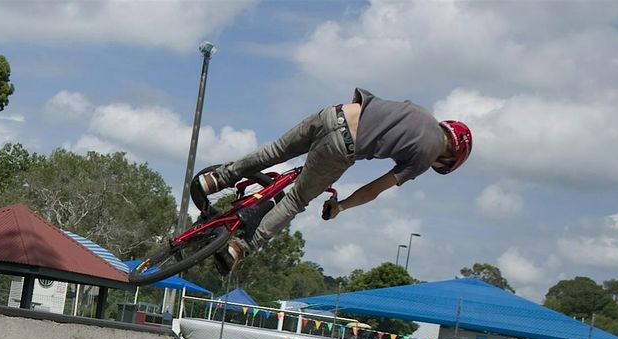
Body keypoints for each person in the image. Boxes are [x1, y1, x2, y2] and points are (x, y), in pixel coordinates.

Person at [194, 87, 473, 275]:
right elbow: (375, 189)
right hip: (342, 148)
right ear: (450, 157)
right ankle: (242, 247)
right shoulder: (427, 155)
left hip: (333, 114)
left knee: (275, 151)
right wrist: (341, 206)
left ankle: (218, 177)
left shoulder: (421, 112)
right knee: (296, 200)